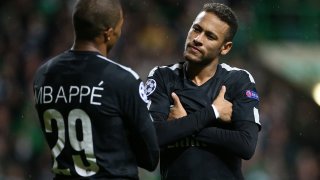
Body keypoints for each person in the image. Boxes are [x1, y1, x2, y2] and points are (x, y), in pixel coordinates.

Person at [32, 0, 159, 179]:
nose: (120, 32)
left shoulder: (43, 75)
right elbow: (150, 157)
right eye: (119, 26)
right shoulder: (122, 79)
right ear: (108, 33)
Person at [145, 2, 261, 180]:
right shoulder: (162, 77)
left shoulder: (238, 80)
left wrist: (182, 124)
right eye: (196, 29)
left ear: (225, 47)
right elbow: (153, 136)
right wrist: (212, 113)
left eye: (210, 36)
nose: (197, 39)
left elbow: (246, 145)